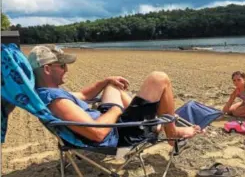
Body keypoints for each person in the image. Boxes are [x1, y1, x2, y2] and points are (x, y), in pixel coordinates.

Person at [28, 44, 201, 147]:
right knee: (159, 78)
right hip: (117, 134)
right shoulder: (56, 101)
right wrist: (116, 108)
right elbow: (97, 133)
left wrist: (105, 82)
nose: (67, 69)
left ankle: (153, 121)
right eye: (62, 65)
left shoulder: (47, 93)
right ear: (47, 69)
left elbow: (81, 94)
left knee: (113, 86)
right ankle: (171, 133)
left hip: (110, 122)